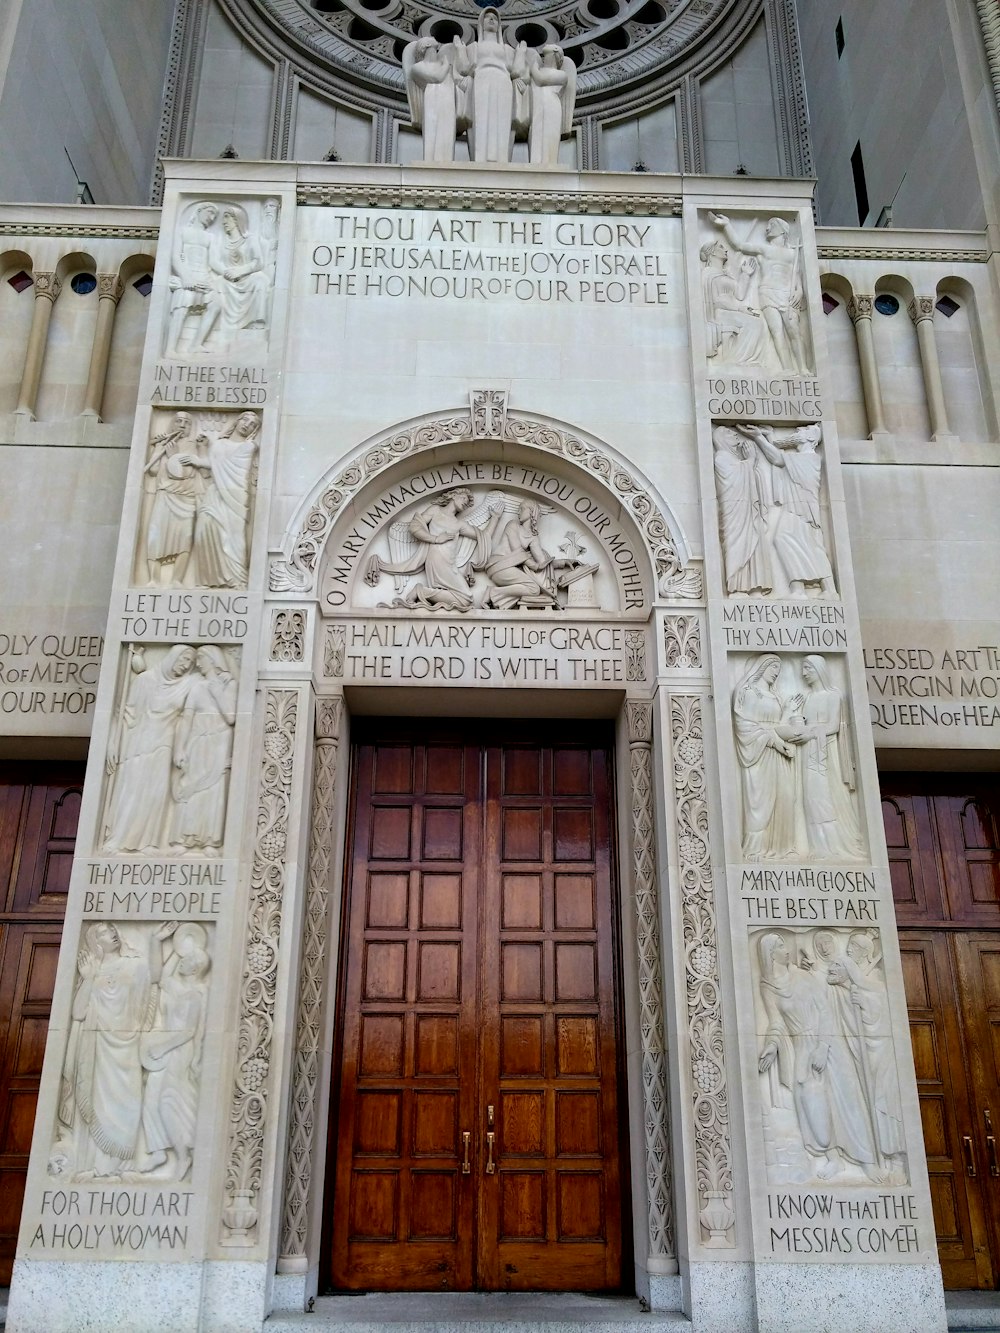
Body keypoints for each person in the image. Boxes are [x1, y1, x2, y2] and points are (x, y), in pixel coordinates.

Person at [757, 932, 876, 1180]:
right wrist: (771, 1044)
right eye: (780, 946)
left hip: (829, 1043)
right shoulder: (768, 987)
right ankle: (834, 1158)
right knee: (813, 1106)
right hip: (802, 1048)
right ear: (770, 954)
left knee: (848, 1102)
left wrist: (823, 1047)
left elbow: (825, 1011)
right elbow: (777, 1022)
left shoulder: (803, 976)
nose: (786, 948)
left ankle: (867, 1160)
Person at [66, 923, 172, 1177]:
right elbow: (78, 1012)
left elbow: (155, 976)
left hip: (129, 1047)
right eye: (102, 932)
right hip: (101, 1049)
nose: (111, 933)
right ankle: (100, 1168)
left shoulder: (133, 966)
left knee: (128, 1106)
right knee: (102, 1107)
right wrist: (89, 978)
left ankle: (124, 1166)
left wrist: (156, 941)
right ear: (95, 942)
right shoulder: (93, 971)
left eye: (112, 929)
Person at [104, 646, 197, 854]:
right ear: (172, 656)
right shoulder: (144, 680)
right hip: (137, 742)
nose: (185, 666)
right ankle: (118, 839)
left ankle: (149, 842)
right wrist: (113, 742)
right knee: (131, 792)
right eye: (183, 659)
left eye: (190, 663)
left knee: (156, 793)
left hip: (164, 743)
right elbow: (124, 715)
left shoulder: (187, 685)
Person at [827, 952, 907, 1179]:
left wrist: (865, 1004)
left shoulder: (874, 986)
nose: (829, 969)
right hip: (857, 1059)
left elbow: (883, 1012)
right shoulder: (836, 991)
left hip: (880, 1056)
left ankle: (896, 1161)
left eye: (835, 965)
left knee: (886, 1103)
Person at [139, 924, 211, 1180]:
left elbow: (188, 1032)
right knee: (150, 1101)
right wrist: (159, 941)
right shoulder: (175, 986)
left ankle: (183, 1156)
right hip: (165, 1048)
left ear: (196, 967)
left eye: (189, 960)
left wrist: (161, 1047)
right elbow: (158, 974)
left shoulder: (194, 995)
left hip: (179, 1050)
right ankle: (158, 1151)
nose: (183, 961)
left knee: (167, 1103)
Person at [738, 424, 835, 598]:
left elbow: (777, 458)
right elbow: (780, 460)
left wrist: (758, 437)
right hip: (796, 507)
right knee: (807, 543)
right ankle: (817, 589)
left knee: (790, 539)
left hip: (802, 509)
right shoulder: (799, 458)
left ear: (811, 438)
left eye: (800, 432)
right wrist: (769, 437)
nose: (796, 433)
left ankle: (806, 590)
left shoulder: (809, 458)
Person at [364, 487, 488, 611]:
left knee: (466, 600)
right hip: (437, 559)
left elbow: (483, 536)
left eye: (467, 503)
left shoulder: (459, 524)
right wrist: (435, 538)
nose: (465, 503)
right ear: (454, 496)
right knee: (466, 598)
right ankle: (420, 592)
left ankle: (421, 592)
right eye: (463, 498)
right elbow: (415, 526)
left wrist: (495, 518)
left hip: (449, 563)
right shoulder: (435, 511)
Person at [711, 213, 807, 371]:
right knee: (777, 331)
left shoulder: (793, 253)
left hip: (787, 294)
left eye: (772, 225)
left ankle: (803, 368)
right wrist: (727, 225)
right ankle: (787, 369)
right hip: (767, 293)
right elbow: (739, 245)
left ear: (783, 230)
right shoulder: (764, 249)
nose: (767, 228)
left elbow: (795, 275)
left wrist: (800, 291)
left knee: (794, 331)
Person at [732, 655, 804, 860]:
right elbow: (745, 726)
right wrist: (777, 743)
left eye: (779, 668)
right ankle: (755, 850)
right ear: (761, 667)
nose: (776, 671)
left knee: (786, 796)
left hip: (779, 757)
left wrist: (788, 712)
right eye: (773, 666)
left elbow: (779, 727)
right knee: (760, 802)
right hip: (759, 754)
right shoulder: (747, 693)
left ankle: (784, 848)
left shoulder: (777, 697)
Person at [798, 655, 864, 859]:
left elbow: (834, 726)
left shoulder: (832, 696)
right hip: (808, 750)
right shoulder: (807, 698)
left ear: (819, 670)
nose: (804, 673)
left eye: (807, 668)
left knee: (825, 797)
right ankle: (819, 847)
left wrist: (810, 731)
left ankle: (835, 847)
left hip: (825, 753)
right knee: (811, 798)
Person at [171, 648, 237, 852]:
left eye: (201, 659)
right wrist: (179, 748)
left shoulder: (229, 685)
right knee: (190, 788)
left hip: (218, 743)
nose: (198, 664)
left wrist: (217, 691)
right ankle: (185, 839)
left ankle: (209, 840)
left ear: (213, 660)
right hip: (197, 743)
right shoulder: (197, 687)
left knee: (212, 791)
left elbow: (231, 717)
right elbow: (187, 719)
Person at [185, 410, 260, 588]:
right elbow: (207, 472)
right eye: (245, 420)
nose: (246, 425)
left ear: (254, 431)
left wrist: (199, 460)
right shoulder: (218, 445)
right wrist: (203, 450)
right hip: (214, 495)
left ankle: (237, 578)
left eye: (252, 425)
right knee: (203, 532)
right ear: (238, 421)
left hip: (236, 497)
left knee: (235, 538)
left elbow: (227, 468)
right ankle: (207, 580)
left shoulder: (249, 447)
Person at [454, 9, 527, 163]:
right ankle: (479, 158)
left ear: (499, 24)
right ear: (481, 22)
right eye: (488, 18)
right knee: (481, 119)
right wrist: (461, 50)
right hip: (481, 81)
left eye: (495, 18)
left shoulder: (507, 49)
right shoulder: (474, 47)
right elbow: (463, 68)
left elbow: (517, 71)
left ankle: (502, 159)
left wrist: (521, 53)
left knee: (502, 121)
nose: (492, 20)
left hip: (503, 82)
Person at [713, 425, 772, 596]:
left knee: (754, 541)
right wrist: (751, 461)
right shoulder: (721, 457)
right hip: (735, 514)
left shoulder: (736, 460)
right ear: (722, 440)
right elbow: (732, 481)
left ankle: (755, 588)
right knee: (737, 544)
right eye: (731, 434)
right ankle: (737, 587)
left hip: (748, 510)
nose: (736, 436)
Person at [143, 412, 199, 586]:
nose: (182, 425)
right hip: (165, 495)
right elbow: (152, 471)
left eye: (187, 423)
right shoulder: (165, 443)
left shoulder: (192, 446)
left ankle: (177, 579)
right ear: (172, 425)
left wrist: (173, 455)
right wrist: (158, 450)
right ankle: (153, 579)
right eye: (179, 421)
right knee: (155, 535)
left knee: (185, 536)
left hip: (185, 497)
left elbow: (184, 473)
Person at [700, 238, 769, 367]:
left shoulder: (726, 274)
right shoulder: (707, 274)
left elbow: (740, 294)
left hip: (733, 311)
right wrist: (739, 308)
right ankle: (735, 361)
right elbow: (716, 300)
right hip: (719, 313)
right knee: (753, 324)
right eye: (721, 247)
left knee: (757, 323)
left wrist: (745, 274)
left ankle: (741, 361)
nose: (726, 249)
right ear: (712, 252)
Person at [167, 202, 222, 354]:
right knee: (181, 308)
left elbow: (214, 262)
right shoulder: (182, 231)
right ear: (199, 211)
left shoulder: (210, 237)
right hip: (187, 277)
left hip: (204, 278)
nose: (211, 218)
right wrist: (186, 277)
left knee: (216, 304)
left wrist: (231, 272)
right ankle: (170, 350)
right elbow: (175, 257)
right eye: (210, 212)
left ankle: (196, 344)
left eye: (214, 216)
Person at [483, 499, 557, 608]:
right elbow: (517, 550)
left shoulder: (533, 537)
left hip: (510, 568)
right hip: (498, 565)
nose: (518, 512)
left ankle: (494, 593)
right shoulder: (512, 525)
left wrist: (562, 563)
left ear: (531, 512)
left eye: (521, 509)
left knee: (533, 589)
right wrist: (535, 566)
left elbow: (542, 561)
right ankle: (493, 593)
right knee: (533, 588)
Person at [211, 205, 270, 342]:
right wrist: (226, 272)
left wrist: (240, 271)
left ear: (237, 219)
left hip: (246, 277)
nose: (224, 221)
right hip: (227, 280)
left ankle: (256, 322)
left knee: (260, 279)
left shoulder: (250, 239)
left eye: (227, 217)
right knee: (218, 284)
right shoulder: (221, 241)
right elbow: (214, 262)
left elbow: (258, 262)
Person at [403, 38, 461, 162]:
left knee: (448, 132)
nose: (437, 40)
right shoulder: (417, 67)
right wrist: (446, 64)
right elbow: (436, 77)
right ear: (427, 44)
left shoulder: (442, 64)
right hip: (432, 99)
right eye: (433, 39)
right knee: (432, 131)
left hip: (448, 98)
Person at [527, 45, 575, 166]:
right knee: (535, 134)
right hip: (537, 106)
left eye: (547, 55)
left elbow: (541, 80)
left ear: (555, 52)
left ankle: (549, 164)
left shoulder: (562, 75)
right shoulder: (538, 70)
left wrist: (532, 65)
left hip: (551, 105)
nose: (545, 45)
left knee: (549, 135)